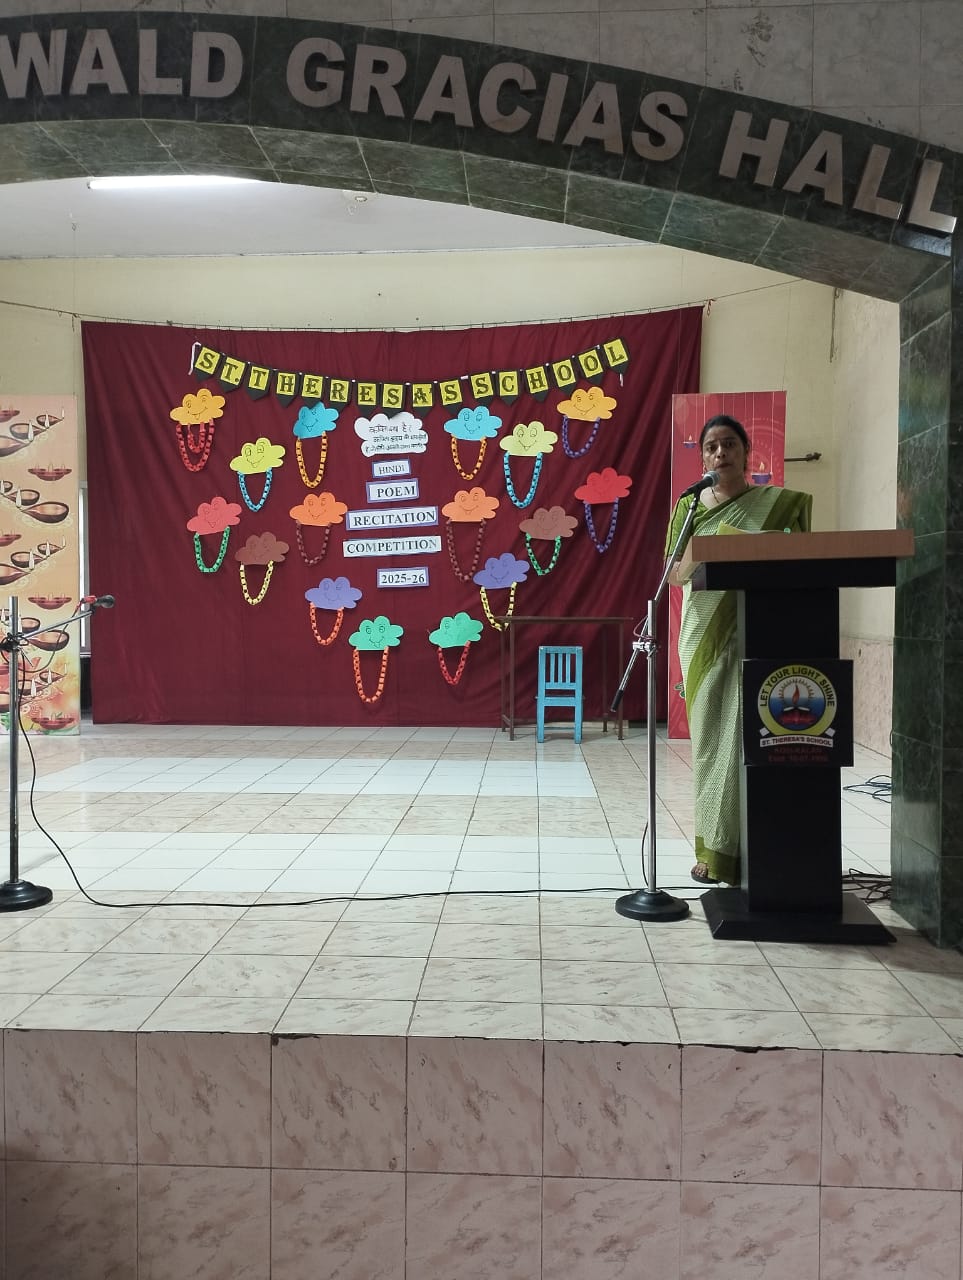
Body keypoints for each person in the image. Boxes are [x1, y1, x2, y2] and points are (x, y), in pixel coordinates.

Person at [664, 414, 812, 886]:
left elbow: (802, 559)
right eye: (711, 446)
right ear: (702, 457)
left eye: (729, 444)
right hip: (705, 633)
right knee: (713, 742)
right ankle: (715, 848)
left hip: (763, 629)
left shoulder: (775, 505)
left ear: (747, 452)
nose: (720, 453)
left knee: (758, 740)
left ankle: (762, 848)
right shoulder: (690, 505)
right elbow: (673, 574)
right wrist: (706, 550)